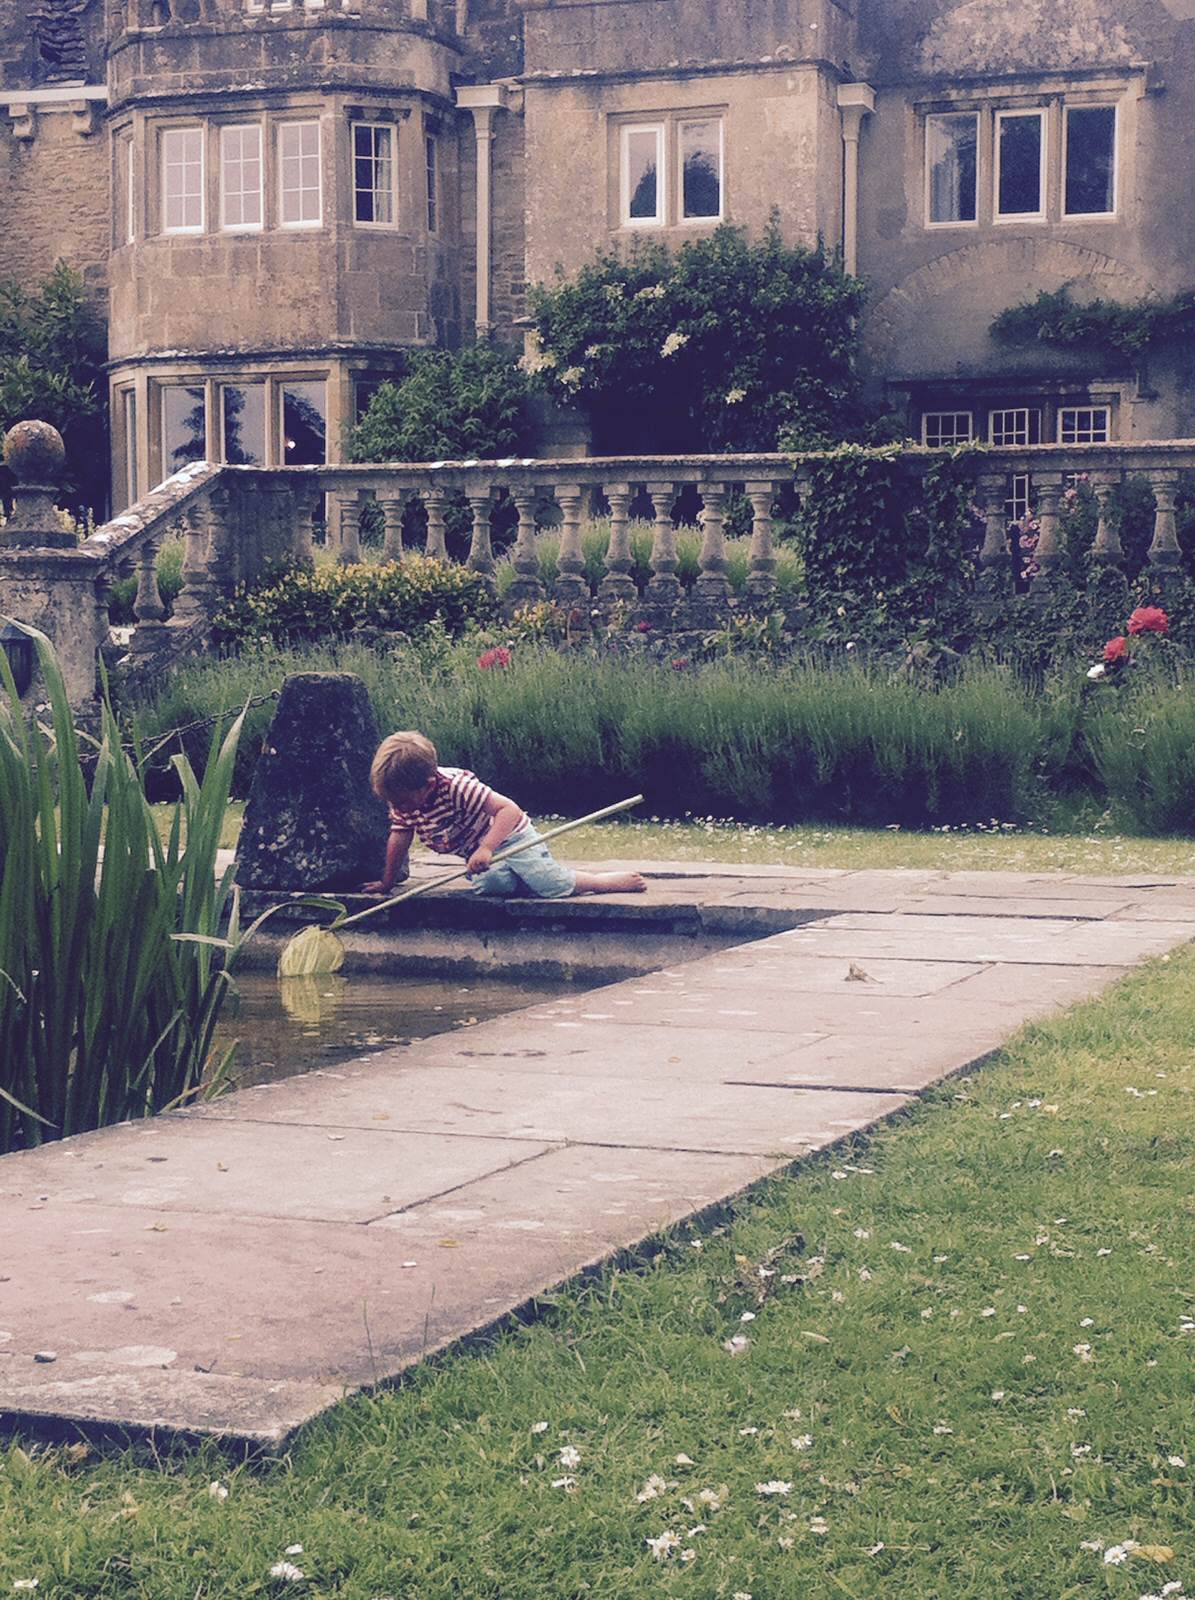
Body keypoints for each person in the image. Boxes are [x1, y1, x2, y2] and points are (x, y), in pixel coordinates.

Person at [363, 730, 647, 899]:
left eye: (401, 801)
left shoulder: (457, 788)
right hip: (478, 851)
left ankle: (601, 881)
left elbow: (508, 810)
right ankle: (526, 878)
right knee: (492, 885)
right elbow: (399, 838)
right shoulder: (402, 798)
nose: (397, 808)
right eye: (391, 801)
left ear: (427, 786)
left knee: (550, 886)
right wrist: (387, 882)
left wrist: (487, 848)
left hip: (510, 836)